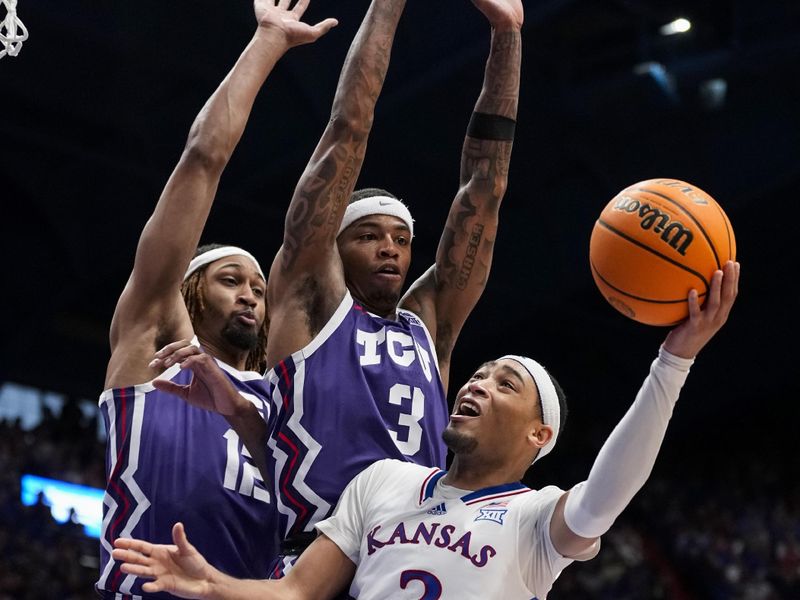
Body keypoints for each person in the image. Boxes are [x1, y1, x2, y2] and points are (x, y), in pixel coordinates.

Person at [150, 0, 525, 575]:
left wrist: (507, 34)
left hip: (414, 558)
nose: (390, 248)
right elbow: (348, 128)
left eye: (401, 238)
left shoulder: (428, 327)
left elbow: (486, 186)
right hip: (312, 559)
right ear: (335, 246)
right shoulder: (310, 300)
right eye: (370, 235)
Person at [112, 261, 740, 599]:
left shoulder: (536, 521)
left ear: (538, 437)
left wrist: (673, 361)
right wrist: (214, 586)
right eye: (480, 374)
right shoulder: (383, 481)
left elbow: (611, 488)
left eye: (505, 385)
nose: (477, 384)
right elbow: (298, 593)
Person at [96, 2, 337, 598]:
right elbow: (202, 159)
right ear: (190, 288)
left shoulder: (279, 403)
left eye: (259, 288)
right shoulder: (155, 342)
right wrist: (268, 43)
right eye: (232, 279)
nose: (253, 296)